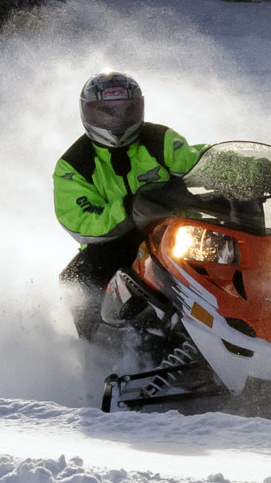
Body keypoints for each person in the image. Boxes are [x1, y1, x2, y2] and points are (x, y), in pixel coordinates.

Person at [53, 71, 204, 340]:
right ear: (87, 113)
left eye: (127, 110)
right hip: (115, 244)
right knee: (77, 279)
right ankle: (98, 351)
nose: (117, 120)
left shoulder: (161, 140)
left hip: (175, 231)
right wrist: (132, 209)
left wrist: (267, 171)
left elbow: (199, 161)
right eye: (107, 111)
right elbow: (80, 219)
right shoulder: (74, 165)